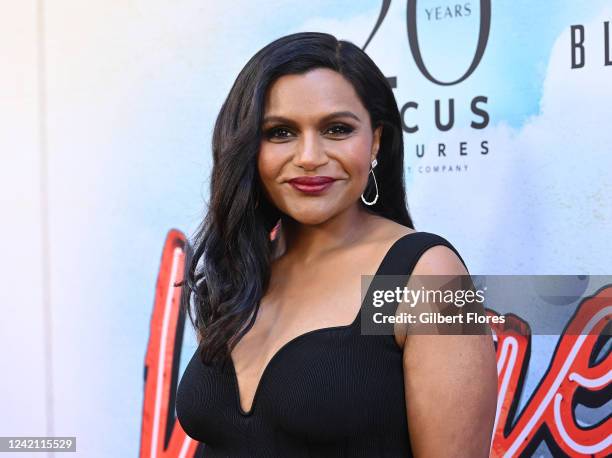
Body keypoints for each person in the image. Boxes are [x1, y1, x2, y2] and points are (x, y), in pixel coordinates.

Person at [175, 31, 498, 457]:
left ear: (376, 141)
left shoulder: (420, 274)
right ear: (249, 146)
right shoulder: (243, 268)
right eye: (281, 132)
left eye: (337, 129)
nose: (309, 156)